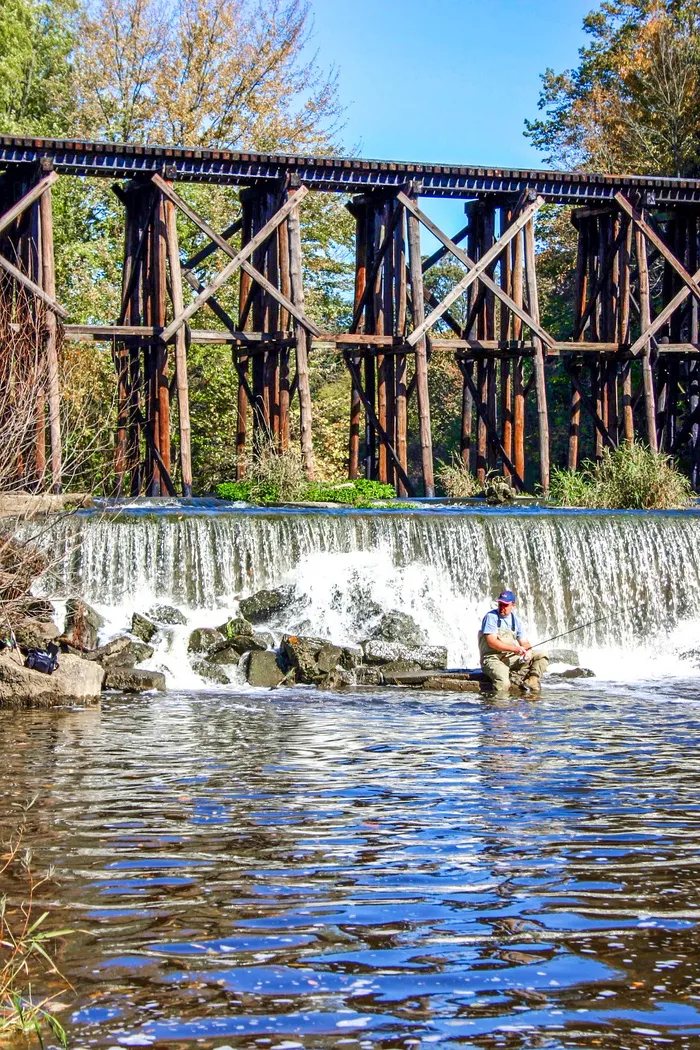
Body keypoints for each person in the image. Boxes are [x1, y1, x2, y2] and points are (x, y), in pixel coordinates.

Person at [478, 589, 548, 693]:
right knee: (503, 682)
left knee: (542, 654)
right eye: (500, 604)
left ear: (513, 605)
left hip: (509, 657)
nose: (502, 607)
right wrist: (515, 649)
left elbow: (524, 642)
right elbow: (492, 642)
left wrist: (528, 652)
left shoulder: (516, 621)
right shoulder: (491, 617)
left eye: (505, 605)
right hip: (492, 658)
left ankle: (532, 681)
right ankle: (498, 702)